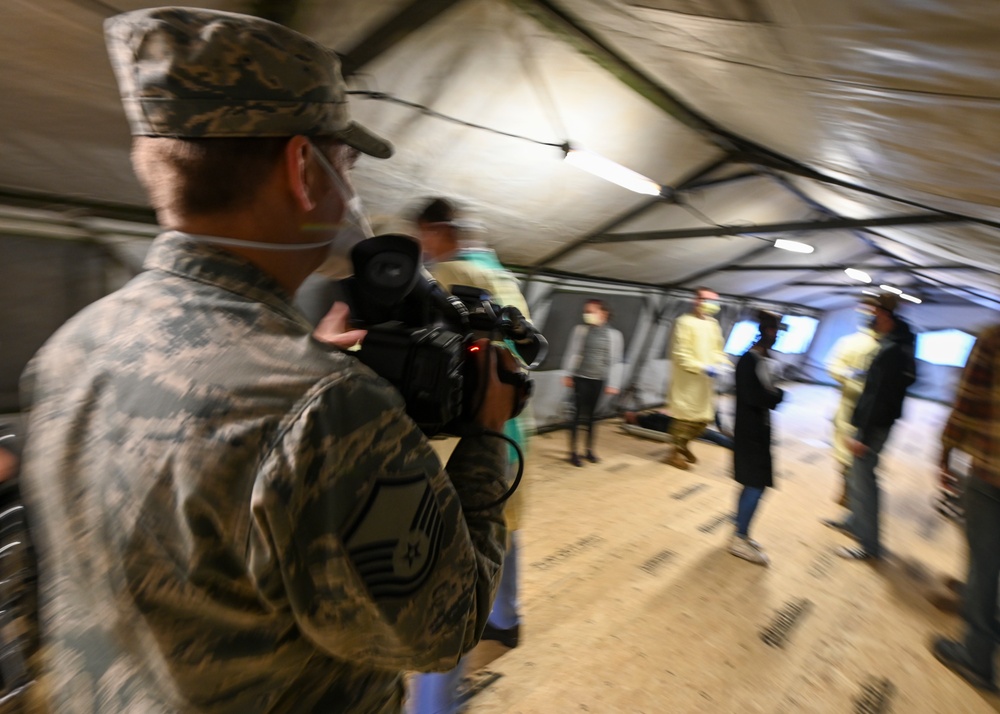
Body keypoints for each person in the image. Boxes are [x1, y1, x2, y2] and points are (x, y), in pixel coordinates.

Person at [17, 9, 520, 713]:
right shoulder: (325, 409)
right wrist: (487, 438)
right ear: (301, 169)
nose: (354, 191)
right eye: (345, 164)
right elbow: (442, 628)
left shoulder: (69, 350)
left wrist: (306, 367)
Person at [411, 197, 532, 714]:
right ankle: (506, 621)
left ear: (439, 233)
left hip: (457, 439)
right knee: (503, 529)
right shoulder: (506, 278)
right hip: (510, 428)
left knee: (452, 571)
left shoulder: (439, 278)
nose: (420, 249)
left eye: (422, 238)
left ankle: (435, 702)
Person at [930, 324, 1000, 692]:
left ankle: (976, 657)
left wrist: (946, 450)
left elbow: (968, 401)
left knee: (983, 566)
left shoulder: (994, 337)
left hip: (992, 470)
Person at [825, 292, 916, 561]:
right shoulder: (901, 342)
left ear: (884, 315)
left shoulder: (891, 350)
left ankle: (869, 545)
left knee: (864, 481)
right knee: (855, 474)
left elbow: (878, 395)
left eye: (874, 313)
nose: (870, 319)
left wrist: (862, 434)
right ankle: (855, 521)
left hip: (873, 425)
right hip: (877, 420)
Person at [728, 311, 785, 566]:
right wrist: (778, 395)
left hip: (756, 430)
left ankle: (741, 530)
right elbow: (757, 397)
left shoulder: (760, 358)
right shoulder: (749, 361)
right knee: (755, 484)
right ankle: (739, 537)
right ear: (767, 331)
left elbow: (764, 393)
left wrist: (773, 394)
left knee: (750, 482)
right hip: (750, 431)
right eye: (775, 331)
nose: (777, 336)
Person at [662, 287, 730, 470]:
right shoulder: (684, 322)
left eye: (715, 301)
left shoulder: (713, 324)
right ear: (697, 301)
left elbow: (717, 349)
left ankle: (683, 445)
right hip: (688, 380)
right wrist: (703, 368)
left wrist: (722, 363)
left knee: (702, 420)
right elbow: (681, 353)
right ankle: (673, 453)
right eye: (708, 300)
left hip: (705, 383)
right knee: (685, 418)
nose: (712, 305)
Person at [824, 303, 880, 506]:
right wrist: (852, 375)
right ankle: (850, 491)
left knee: (847, 449)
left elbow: (833, 367)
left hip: (853, 406)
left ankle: (850, 491)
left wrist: (847, 375)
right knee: (855, 450)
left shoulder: (851, 343)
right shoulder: (881, 346)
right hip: (859, 407)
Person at [561, 299, 624, 467]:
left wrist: (614, 384)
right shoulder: (580, 331)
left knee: (592, 417)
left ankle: (589, 449)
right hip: (581, 378)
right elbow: (572, 352)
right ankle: (573, 452)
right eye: (586, 312)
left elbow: (617, 360)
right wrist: (568, 374)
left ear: (603, 313)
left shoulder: (614, 335)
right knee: (576, 415)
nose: (587, 315)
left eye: (592, 311)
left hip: (599, 380)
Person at [622, 410, 734, 450]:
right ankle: (732, 444)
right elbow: (660, 428)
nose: (632, 413)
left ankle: (732, 442)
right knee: (709, 434)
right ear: (630, 419)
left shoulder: (644, 418)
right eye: (629, 415)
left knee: (709, 434)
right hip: (677, 426)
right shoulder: (643, 421)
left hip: (677, 424)